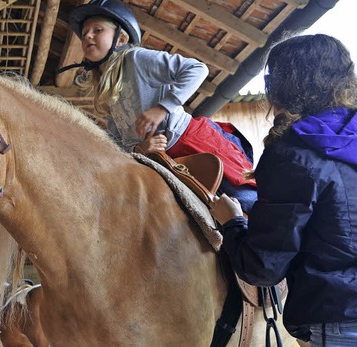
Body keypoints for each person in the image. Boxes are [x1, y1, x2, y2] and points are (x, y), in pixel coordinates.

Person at [209, 34, 357, 346]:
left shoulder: (293, 154)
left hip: (346, 331)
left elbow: (263, 267)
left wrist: (231, 222)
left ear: (281, 87)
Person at [67, 0, 257, 212]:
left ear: (121, 38)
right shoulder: (105, 90)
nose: (88, 36)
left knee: (248, 202)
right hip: (160, 161)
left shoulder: (136, 59)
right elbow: (117, 140)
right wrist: (139, 149)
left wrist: (162, 108)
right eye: (84, 34)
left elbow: (196, 69)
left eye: (97, 30)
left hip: (190, 141)